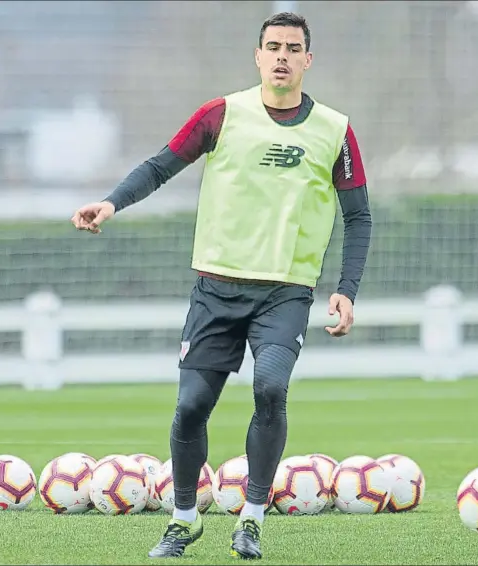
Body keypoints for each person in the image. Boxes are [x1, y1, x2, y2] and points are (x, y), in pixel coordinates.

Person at [71, 11, 372, 561]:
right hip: (216, 288)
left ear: (308, 59)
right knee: (190, 409)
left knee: (271, 390)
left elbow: (359, 216)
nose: (281, 56)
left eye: (292, 48)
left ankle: (252, 519)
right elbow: (161, 165)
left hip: (285, 292)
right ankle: (184, 521)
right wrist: (111, 202)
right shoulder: (222, 114)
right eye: (272, 46)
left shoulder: (335, 129)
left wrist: (346, 289)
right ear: (257, 56)